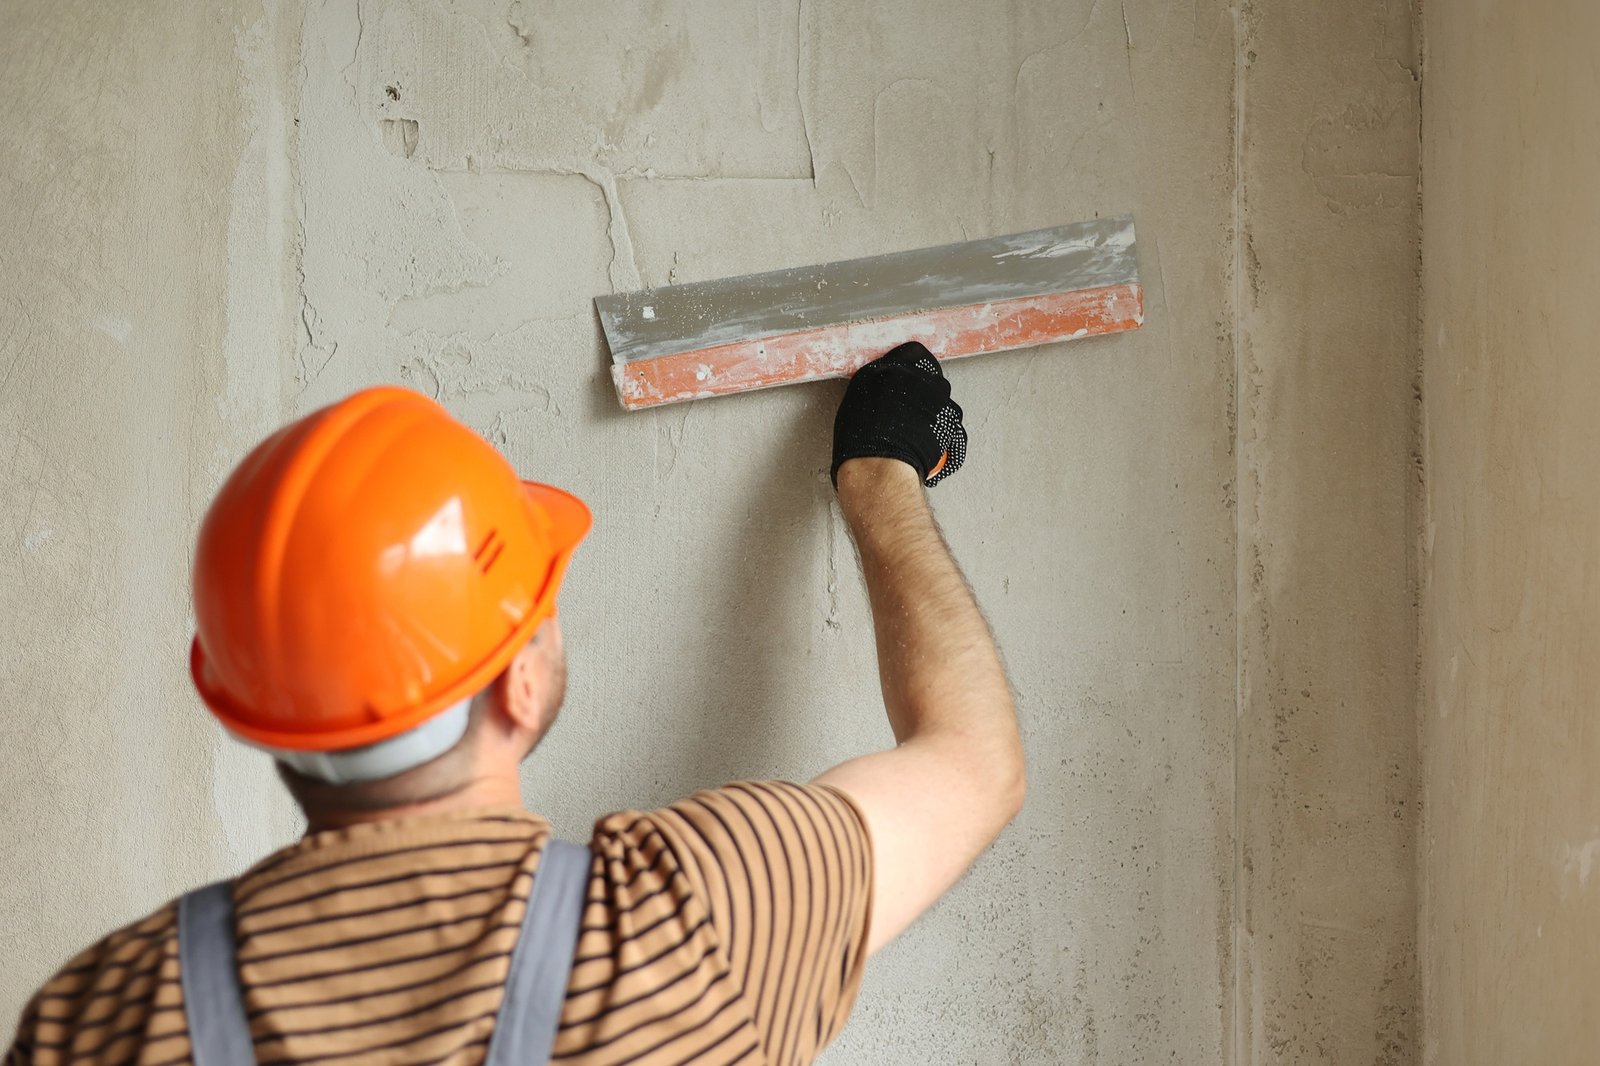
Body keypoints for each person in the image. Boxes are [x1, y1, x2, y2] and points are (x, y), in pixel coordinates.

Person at [5, 343, 1024, 1066]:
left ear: (247, 708)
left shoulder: (100, 1020)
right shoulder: (688, 915)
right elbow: (973, 758)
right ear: (520, 681)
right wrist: (880, 469)